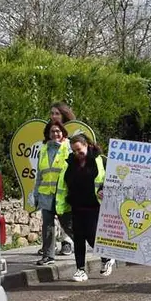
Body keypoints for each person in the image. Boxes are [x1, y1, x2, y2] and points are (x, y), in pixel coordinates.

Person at [56, 134, 115, 282]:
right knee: (79, 239)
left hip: (95, 206)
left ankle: (107, 257)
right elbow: (62, 186)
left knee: (92, 236)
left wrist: (104, 190)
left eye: (79, 150)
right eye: (74, 151)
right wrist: (61, 206)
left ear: (86, 145)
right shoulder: (69, 163)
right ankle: (80, 270)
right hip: (76, 205)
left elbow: (114, 180)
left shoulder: (100, 160)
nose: (77, 154)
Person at [34, 121, 74, 265]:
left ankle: (95, 251)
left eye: (58, 131)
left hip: (62, 196)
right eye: (52, 131)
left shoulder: (68, 148)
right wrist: (36, 194)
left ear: (63, 132)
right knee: (48, 226)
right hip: (46, 194)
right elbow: (40, 174)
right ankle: (48, 256)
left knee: (69, 226)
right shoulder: (43, 149)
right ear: (48, 134)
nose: (55, 134)